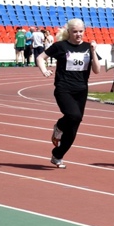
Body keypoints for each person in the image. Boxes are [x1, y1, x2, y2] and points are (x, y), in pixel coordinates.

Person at [36, 19, 101, 168]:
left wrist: (93, 51)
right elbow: (40, 57)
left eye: (81, 31)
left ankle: (57, 155)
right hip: (63, 88)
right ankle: (59, 126)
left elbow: (97, 70)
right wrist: (44, 70)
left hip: (81, 90)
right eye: (75, 32)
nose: (78, 34)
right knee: (74, 116)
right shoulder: (61, 46)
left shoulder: (87, 47)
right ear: (69, 32)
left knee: (74, 127)